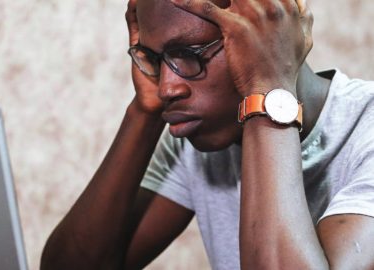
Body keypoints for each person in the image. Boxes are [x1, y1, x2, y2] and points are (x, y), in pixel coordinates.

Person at [41, 0, 374, 269]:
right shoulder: (195, 142)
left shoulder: (366, 125)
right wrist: (144, 113)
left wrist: (267, 90)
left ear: (271, 32)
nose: (167, 87)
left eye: (189, 53)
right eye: (156, 60)